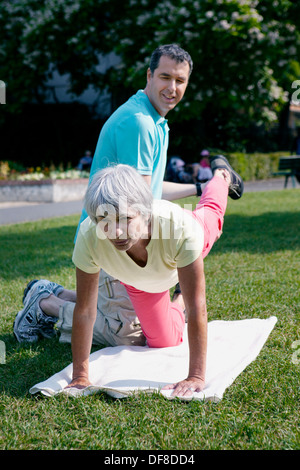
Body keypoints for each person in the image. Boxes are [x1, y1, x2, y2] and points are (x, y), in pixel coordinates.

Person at [14, 44, 208, 346]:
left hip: (122, 232)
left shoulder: (153, 118)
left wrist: (200, 188)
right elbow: (139, 204)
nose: (172, 88)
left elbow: (150, 192)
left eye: (180, 81)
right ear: (149, 75)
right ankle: (45, 306)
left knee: (134, 318)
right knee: (127, 335)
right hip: (112, 237)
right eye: (164, 77)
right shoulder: (140, 123)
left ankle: (53, 293)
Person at [13, 156, 244, 398]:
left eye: (126, 218)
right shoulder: (89, 237)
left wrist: (196, 376)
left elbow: (198, 307)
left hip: (185, 247)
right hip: (141, 282)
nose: (117, 232)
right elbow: (85, 310)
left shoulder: (181, 229)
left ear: (145, 211)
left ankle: (220, 177)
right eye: (105, 221)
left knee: (212, 212)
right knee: (164, 341)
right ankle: (178, 301)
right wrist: (81, 375)